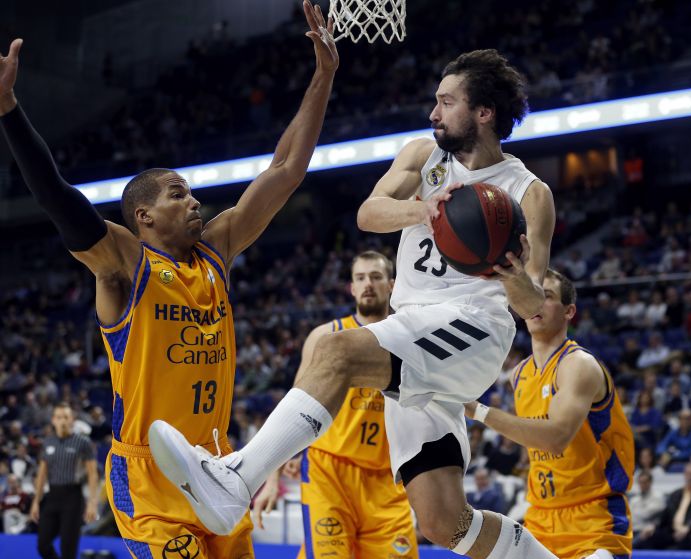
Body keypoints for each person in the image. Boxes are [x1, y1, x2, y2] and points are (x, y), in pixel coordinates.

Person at [150, 48, 558, 559]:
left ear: (484, 112)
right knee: (442, 522)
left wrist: (512, 272)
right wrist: (421, 209)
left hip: (473, 327)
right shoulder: (422, 156)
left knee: (337, 352)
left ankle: (237, 479)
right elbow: (368, 213)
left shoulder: (528, 192)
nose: (433, 113)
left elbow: (534, 305)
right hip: (415, 325)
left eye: (446, 102)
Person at [0, 3, 338, 557]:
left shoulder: (216, 251)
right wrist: (9, 108)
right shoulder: (123, 265)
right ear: (144, 217)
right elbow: (58, 197)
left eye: (192, 192)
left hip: (221, 466)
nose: (194, 201)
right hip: (148, 477)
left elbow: (285, 170)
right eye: (178, 194)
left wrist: (323, 76)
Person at [252, 251, 418, 559]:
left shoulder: (410, 337)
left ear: (392, 285)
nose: (368, 284)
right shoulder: (326, 336)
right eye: (360, 278)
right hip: (330, 471)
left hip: (386, 479)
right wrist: (272, 476)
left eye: (376, 277)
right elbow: (293, 406)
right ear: (351, 288)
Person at [465, 269, 635, 559]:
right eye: (530, 294)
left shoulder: (579, 364)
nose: (535, 302)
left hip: (593, 520)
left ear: (569, 312)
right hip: (540, 519)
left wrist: (478, 411)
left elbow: (555, 438)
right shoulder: (518, 374)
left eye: (547, 296)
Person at [30, 403, 98, 559]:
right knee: (43, 545)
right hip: (52, 496)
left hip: (73, 497)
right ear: (53, 420)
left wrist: (92, 503)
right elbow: (42, 474)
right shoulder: (48, 442)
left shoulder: (83, 443)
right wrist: (36, 501)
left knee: (68, 550)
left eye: (66, 417)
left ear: (72, 420)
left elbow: (92, 474)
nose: (63, 421)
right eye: (59, 417)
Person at [636, 461, 691, 550]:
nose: (690, 477)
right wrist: (653, 525)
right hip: (672, 532)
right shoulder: (675, 494)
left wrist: (688, 528)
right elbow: (665, 515)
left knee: (686, 543)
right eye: (688, 474)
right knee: (646, 540)